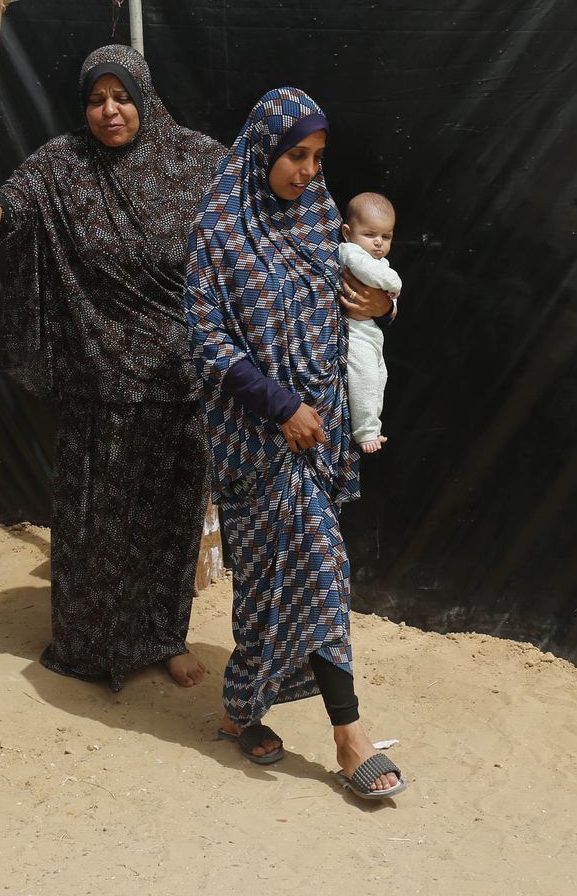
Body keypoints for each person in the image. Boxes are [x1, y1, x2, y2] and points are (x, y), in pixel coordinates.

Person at [0, 45, 224, 691]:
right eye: (95, 99)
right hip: (97, 376)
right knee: (95, 520)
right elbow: (17, 196)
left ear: (144, 96)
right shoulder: (65, 164)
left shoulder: (197, 161)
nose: (109, 111)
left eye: (120, 97)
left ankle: (165, 637)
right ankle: (89, 642)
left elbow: (257, 213)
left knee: (167, 517)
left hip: (177, 377)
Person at [185, 88, 407, 800]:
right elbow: (206, 338)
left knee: (291, 574)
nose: (308, 171)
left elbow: (361, 292)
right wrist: (280, 405)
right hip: (254, 436)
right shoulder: (220, 230)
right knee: (291, 568)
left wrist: (385, 303)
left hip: (320, 433)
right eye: (295, 156)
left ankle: (290, 720)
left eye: (317, 157)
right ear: (262, 149)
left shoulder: (318, 217)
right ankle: (300, 723)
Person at [338, 192, 401, 453]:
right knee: (364, 376)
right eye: (370, 234)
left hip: (371, 332)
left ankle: (373, 425)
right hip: (354, 331)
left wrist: (391, 305)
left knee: (379, 377)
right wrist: (395, 281)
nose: (378, 243)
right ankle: (365, 431)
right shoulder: (351, 252)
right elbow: (368, 273)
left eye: (385, 237)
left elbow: (390, 305)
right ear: (347, 232)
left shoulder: (378, 262)